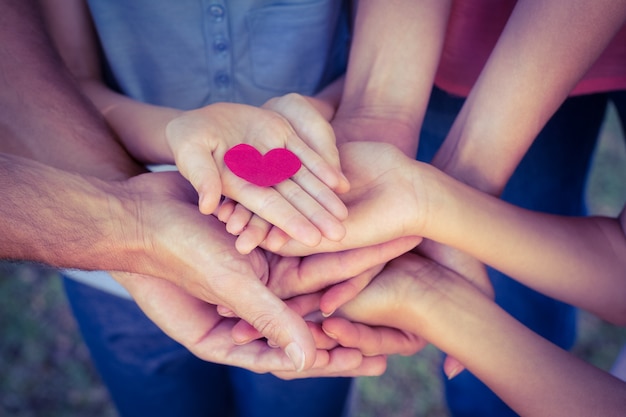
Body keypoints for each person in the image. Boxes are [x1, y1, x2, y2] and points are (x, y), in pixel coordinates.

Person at [1, 1, 429, 415]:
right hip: (105, 250)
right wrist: (179, 137)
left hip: (303, 238)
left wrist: (308, 119)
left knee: (297, 393)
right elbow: (61, 83)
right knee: (156, 393)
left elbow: (376, 70)